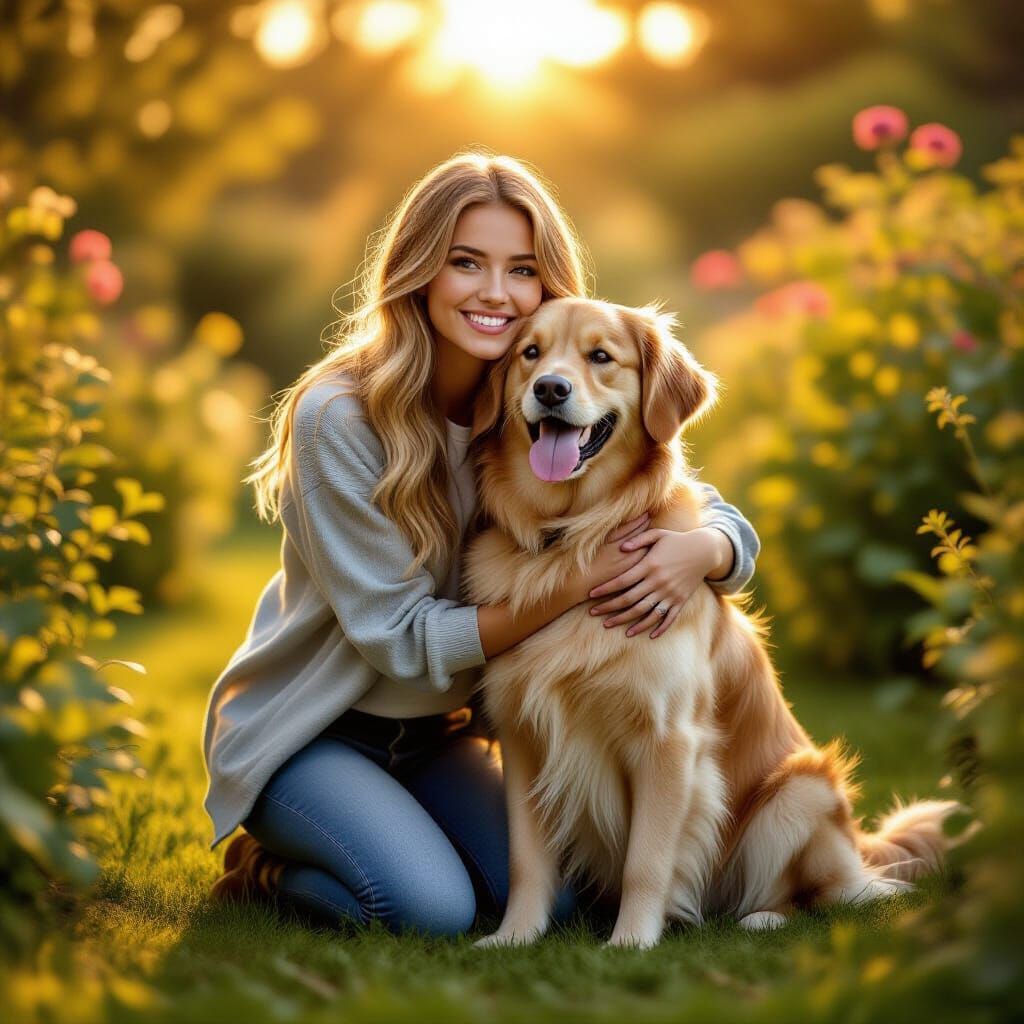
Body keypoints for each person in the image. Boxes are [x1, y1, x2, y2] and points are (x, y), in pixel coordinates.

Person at [202, 152, 760, 938]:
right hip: (316, 730)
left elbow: (683, 494)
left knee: (558, 900)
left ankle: (395, 834)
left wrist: (710, 550)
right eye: (466, 262)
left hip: (440, 737)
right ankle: (271, 866)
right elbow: (402, 643)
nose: (496, 292)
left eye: (521, 270)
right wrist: (580, 582)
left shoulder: (542, 399)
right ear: (419, 271)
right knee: (432, 910)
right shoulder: (340, 418)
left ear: (546, 286)